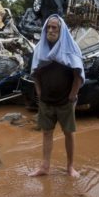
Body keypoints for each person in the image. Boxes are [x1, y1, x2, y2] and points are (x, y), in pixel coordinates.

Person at [28, 14, 85, 178]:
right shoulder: (40, 48)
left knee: (69, 133)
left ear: (61, 30)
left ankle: (70, 167)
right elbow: (35, 72)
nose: (51, 30)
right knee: (46, 133)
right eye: (49, 27)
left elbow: (78, 74)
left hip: (65, 101)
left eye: (55, 28)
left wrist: (72, 95)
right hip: (46, 101)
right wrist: (39, 91)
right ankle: (44, 167)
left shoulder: (70, 48)